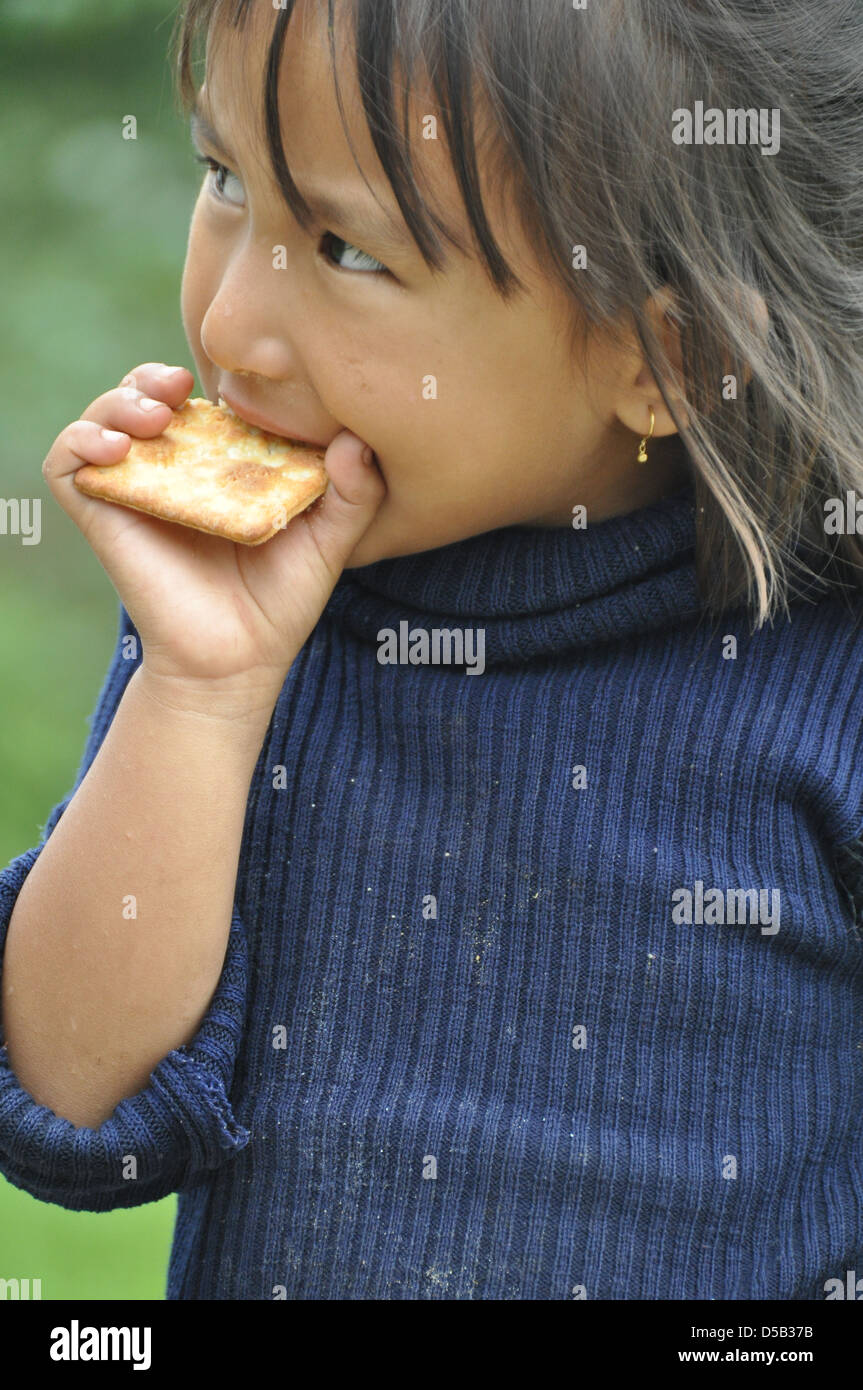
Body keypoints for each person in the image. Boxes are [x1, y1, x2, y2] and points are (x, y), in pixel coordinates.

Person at [1, 0, 862, 1299]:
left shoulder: (825, 677)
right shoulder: (247, 624)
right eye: (225, 179)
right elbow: (81, 1108)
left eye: (346, 247)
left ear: (667, 358)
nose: (230, 325)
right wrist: (202, 691)